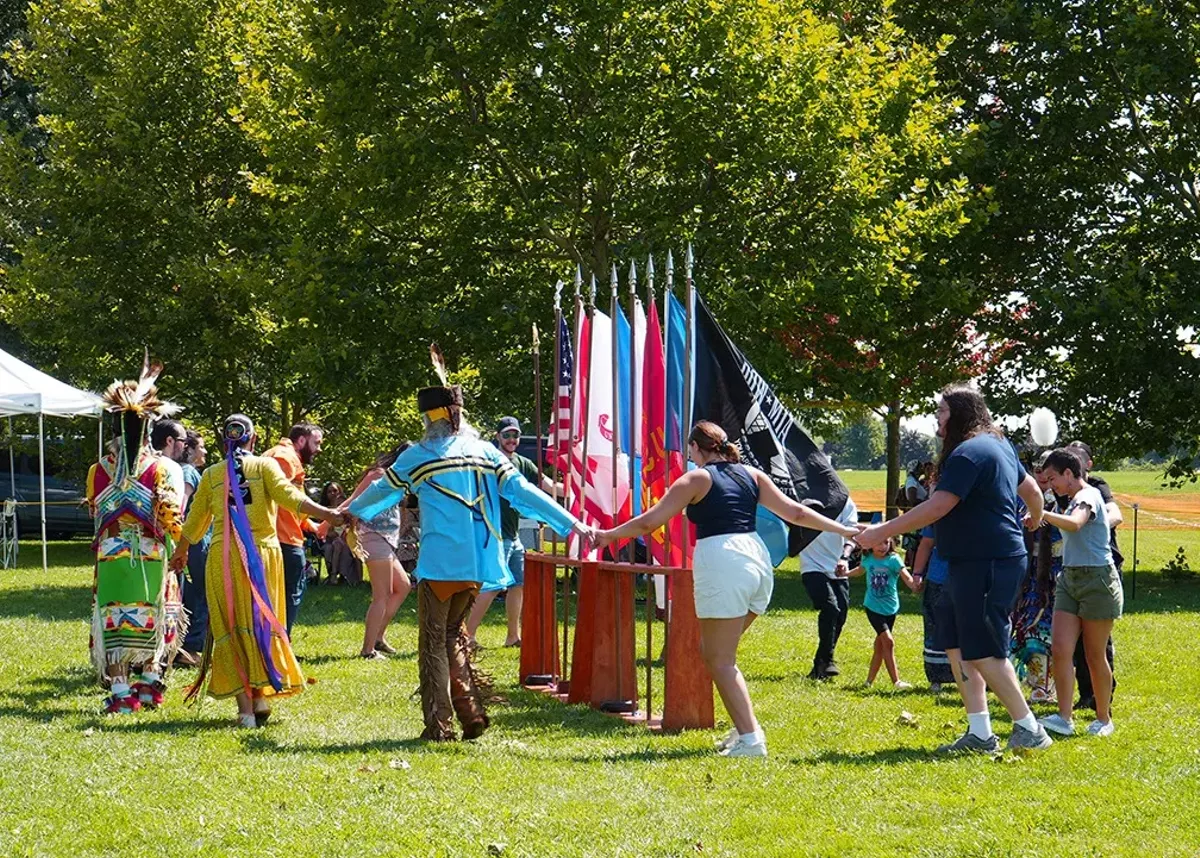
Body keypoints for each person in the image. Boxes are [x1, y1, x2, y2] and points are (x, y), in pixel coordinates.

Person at [346, 370, 590, 742]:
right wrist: (573, 523)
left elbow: (382, 491)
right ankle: (470, 712)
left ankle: (438, 726)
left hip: (441, 565)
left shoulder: (418, 455)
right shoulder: (487, 452)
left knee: (432, 642)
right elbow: (524, 492)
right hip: (480, 564)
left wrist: (348, 513)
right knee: (452, 637)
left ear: (429, 420)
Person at [595, 421, 861, 759]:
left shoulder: (695, 479)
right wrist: (847, 530)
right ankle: (743, 726)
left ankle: (752, 740)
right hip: (757, 563)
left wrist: (608, 536)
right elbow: (795, 512)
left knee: (719, 659)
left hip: (724, 563)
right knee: (714, 653)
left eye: (690, 449)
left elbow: (650, 522)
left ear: (696, 447)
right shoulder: (752, 474)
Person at [856, 386, 1053, 755]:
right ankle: (980, 732)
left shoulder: (968, 454)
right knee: (957, 644)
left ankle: (1030, 729)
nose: (936, 420)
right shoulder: (1000, 445)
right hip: (970, 561)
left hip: (987, 561)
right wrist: (1035, 520)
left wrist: (880, 532)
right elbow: (1032, 493)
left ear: (961, 413)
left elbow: (938, 506)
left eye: (942, 412)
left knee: (982, 647)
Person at [168, 414, 344, 728]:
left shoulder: (212, 474)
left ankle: (247, 710)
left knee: (232, 625)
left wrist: (180, 553)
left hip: (223, 558)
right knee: (261, 623)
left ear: (225, 442)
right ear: (253, 440)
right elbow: (292, 498)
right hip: (262, 557)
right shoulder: (265, 467)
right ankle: (260, 699)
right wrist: (328, 513)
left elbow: (195, 523)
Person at [87, 363, 186, 713]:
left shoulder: (98, 470)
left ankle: (120, 693)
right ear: (148, 429)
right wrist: (179, 549)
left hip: (113, 557)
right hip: (151, 557)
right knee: (154, 616)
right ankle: (148, 687)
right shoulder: (162, 469)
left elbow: (95, 518)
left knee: (113, 618)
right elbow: (172, 519)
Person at [1035, 448, 1123, 738]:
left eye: (1052, 478)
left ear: (1069, 474)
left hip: (1097, 579)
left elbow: (1075, 524)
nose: (1050, 484)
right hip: (1070, 579)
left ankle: (1103, 719)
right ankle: (1064, 718)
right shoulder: (1071, 499)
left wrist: (1041, 513)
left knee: (1094, 654)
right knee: (1060, 649)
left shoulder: (1087, 497)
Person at [465, 416, 563, 650]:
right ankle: (466, 636)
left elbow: (548, 487)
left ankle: (512, 636)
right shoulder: (489, 462)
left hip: (513, 535)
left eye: (515, 435)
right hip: (493, 535)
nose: (511, 439)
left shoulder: (522, 463)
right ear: (498, 437)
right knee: (492, 587)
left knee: (518, 584)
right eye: (507, 435)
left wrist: (580, 488)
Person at [1064, 440, 1122, 712]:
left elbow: (1115, 515)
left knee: (1097, 644)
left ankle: (1101, 700)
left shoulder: (1096, 487)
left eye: (1078, 456)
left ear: (1087, 463)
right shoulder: (1066, 491)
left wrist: (1092, 524)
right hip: (1072, 568)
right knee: (1073, 643)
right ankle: (1084, 696)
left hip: (1100, 564)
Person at [345, 443, 415, 659]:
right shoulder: (378, 474)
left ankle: (378, 637)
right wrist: (331, 521)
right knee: (381, 596)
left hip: (387, 540)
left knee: (402, 587)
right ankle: (367, 651)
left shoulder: (399, 480)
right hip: (373, 537)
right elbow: (355, 500)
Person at [263, 424, 325, 635]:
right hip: (283, 541)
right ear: (301, 440)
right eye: (316, 443)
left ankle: (274, 644)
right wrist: (326, 514)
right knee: (288, 595)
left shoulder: (281, 456)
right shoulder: (284, 457)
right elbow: (281, 497)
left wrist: (311, 525)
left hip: (281, 537)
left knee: (280, 595)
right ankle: (279, 645)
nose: (319, 449)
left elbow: (289, 504)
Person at [1008, 455, 1059, 703]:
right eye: (1037, 470)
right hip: (1026, 572)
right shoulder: (1021, 499)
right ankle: (1035, 684)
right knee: (1027, 627)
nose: (1041, 476)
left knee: (1049, 629)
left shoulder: (1062, 501)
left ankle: (1047, 686)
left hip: (1054, 574)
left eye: (1047, 472)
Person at [841, 536, 917, 688]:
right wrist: (845, 574)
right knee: (888, 641)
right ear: (870, 544)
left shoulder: (894, 560)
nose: (883, 546)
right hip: (873, 607)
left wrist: (914, 584)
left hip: (891, 608)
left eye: (886, 542)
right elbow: (860, 570)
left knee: (880, 646)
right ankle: (896, 681)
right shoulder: (868, 558)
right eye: (878, 542)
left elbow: (906, 575)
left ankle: (868, 682)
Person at [799, 495, 859, 679]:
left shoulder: (845, 502)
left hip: (837, 566)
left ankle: (820, 665)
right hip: (811, 566)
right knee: (830, 608)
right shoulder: (804, 500)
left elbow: (852, 534)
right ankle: (829, 660)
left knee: (841, 614)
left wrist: (844, 557)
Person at [177, 429, 211, 664]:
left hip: (190, 541)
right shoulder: (188, 471)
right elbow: (182, 504)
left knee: (187, 593)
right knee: (204, 593)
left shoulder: (178, 470)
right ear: (188, 449)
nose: (205, 451)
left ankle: (182, 644)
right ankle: (191, 649)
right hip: (195, 542)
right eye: (201, 446)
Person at [911, 516, 954, 691]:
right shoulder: (937, 515)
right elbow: (926, 544)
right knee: (934, 626)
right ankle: (937, 676)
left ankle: (968, 676)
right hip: (939, 577)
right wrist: (917, 573)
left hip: (969, 578)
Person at [317, 482, 362, 586]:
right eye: (329, 491)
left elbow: (354, 527)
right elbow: (325, 530)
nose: (332, 493)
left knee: (346, 547)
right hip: (330, 540)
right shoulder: (323, 510)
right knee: (333, 546)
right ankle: (334, 575)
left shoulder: (348, 511)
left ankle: (342, 576)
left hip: (347, 539)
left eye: (335, 491)